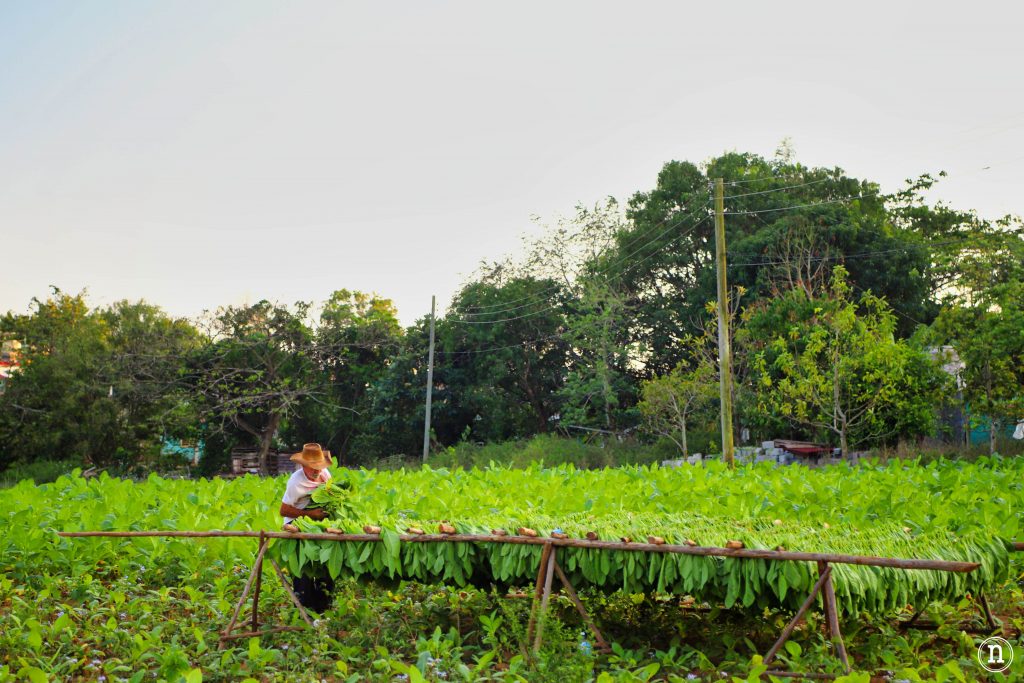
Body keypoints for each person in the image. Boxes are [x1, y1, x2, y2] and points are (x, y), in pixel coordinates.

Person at [279, 442, 335, 612]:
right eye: (312, 467)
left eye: (319, 466)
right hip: (296, 523)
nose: (316, 470)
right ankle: (304, 609)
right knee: (303, 568)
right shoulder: (295, 483)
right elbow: (283, 510)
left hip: (318, 524)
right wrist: (311, 515)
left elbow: (329, 494)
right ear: (303, 465)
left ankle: (324, 608)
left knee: (325, 564)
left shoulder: (325, 474)